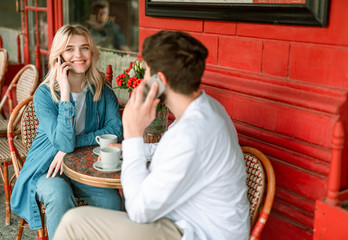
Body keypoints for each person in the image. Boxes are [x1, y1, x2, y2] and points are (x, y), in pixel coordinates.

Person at [53, 30, 250, 240]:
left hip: (197, 232)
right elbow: (174, 151)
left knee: (73, 223)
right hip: (188, 219)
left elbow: (138, 211)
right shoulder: (208, 107)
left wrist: (133, 136)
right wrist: (127, 149)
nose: (143, 80)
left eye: (146, 72)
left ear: (159, 80)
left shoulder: (189, 134)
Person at [10, 24, 123, 240]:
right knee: (58, 193)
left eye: (85, 48)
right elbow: (63, 142)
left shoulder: (102, 87)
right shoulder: (44, 94)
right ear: (59, 56)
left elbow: (115, 130)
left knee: (111, 201)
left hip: (84, 166)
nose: (78, 55)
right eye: (70, 49)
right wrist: (65, 95)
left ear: (92, 52)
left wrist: (72, 146)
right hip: (47, 166)